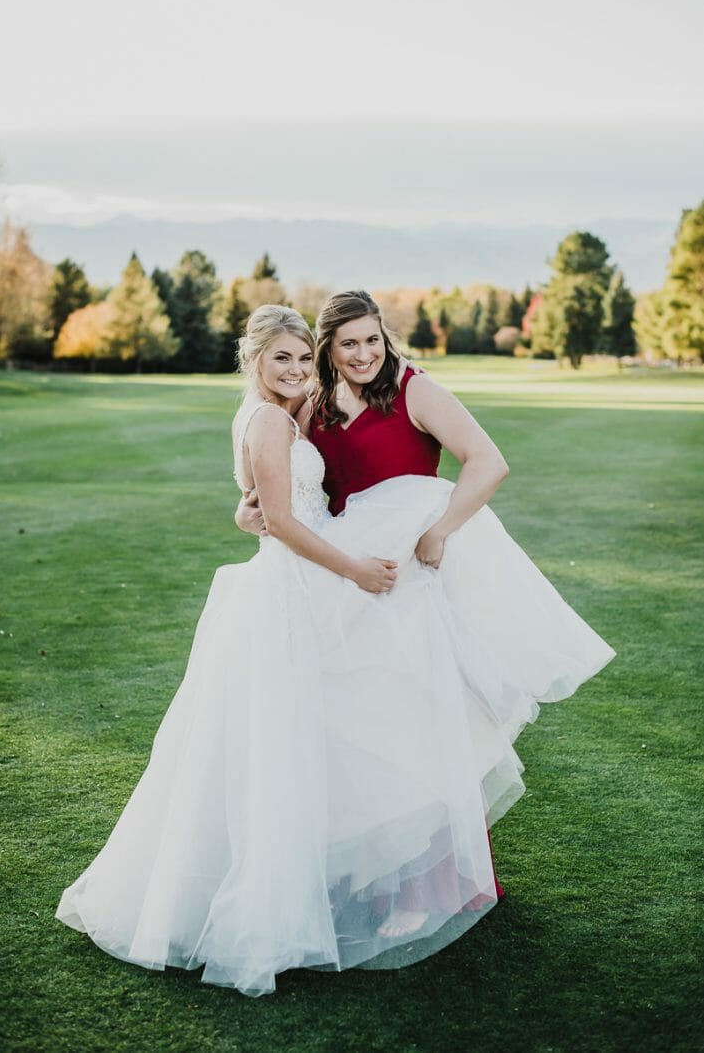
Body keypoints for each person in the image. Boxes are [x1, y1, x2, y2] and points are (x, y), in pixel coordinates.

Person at [57, 303, 614, 998]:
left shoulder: (411, 387)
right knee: (353, 730)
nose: (359, 354)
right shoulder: (306, 404)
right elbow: (277, 490)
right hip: (340, 580)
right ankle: (365, 878)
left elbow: (486, 462)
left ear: (385, 338)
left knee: (424, 719)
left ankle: (444, 876)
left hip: (405, 575)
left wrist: (438, 532)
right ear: (322, 351)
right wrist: (249, 511)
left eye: (369, 340)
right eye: (344, 344)